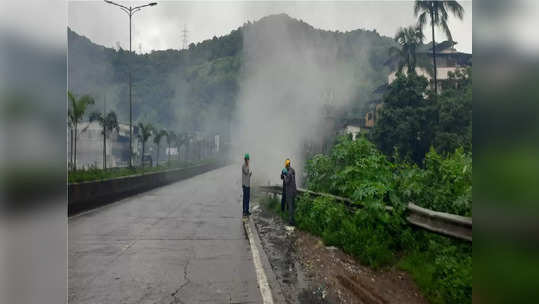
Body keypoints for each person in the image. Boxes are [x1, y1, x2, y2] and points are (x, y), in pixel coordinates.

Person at [283, 158, 297, 226]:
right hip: (294, 191)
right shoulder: (293, 170)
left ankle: (291, 221)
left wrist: (285, 176)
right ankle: (293, 219)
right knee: (293, 206)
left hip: (289, 191)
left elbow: (287, 182)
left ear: (286, 165)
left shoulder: (288, 172)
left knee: (290, 206)